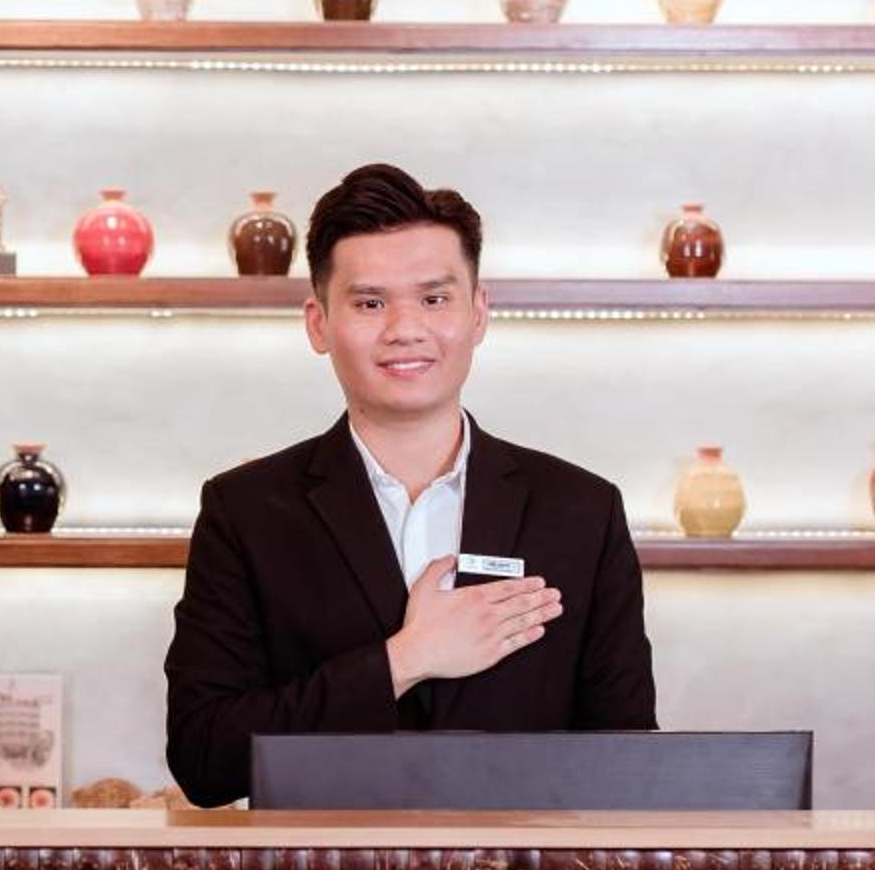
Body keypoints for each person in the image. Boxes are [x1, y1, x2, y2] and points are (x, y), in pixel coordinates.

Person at [165, 163, 656, 805]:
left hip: (522, 869)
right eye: (370, 303)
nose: (405, 329)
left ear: (478, 313)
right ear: (318, 323)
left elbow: (629, 761)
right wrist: (404, 659)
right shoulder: (246, 511)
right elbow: (204, 757)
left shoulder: (581, 510)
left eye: (434, 299)